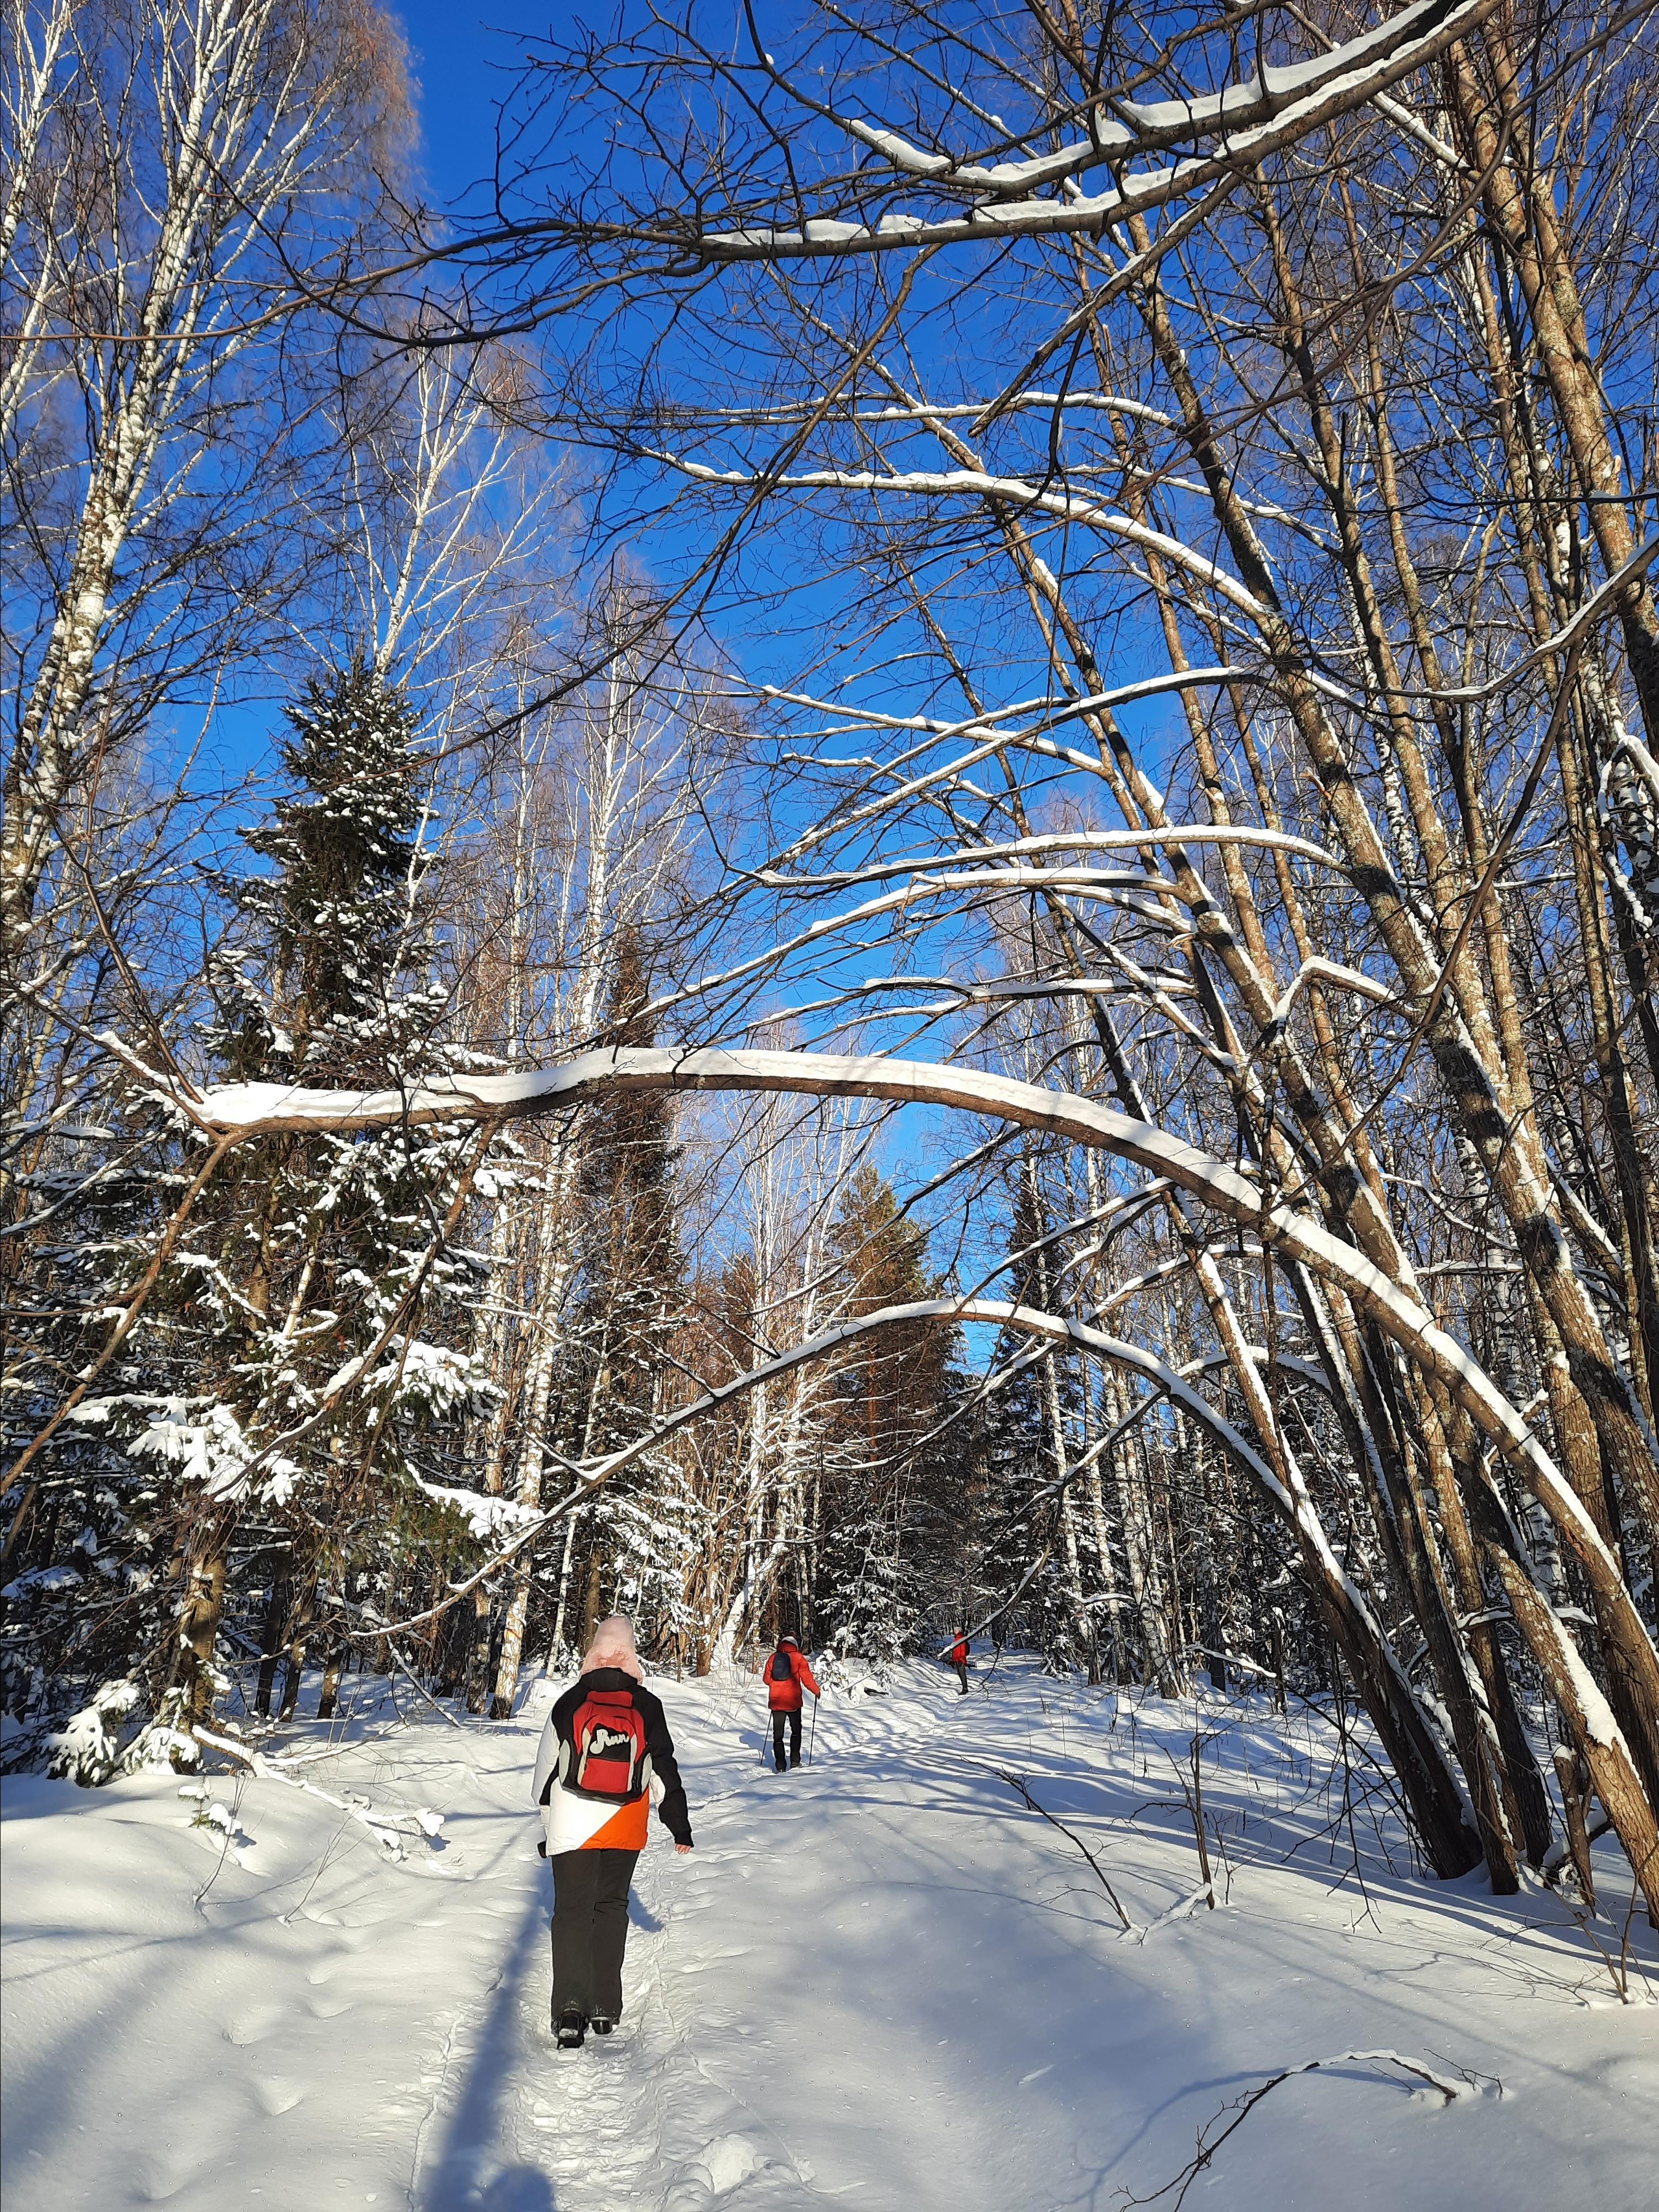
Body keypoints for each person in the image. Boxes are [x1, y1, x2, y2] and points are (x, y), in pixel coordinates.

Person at [531, 1614, 693, 2051]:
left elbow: (542, 1777)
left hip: (571, 1825)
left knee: (572, 1912)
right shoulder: (646, 1704)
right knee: (610, 1907)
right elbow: (663, 1770)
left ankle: (569, 2010)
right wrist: (678, 1824)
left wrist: (550, 1826)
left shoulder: (569, 1701)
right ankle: (604, 2006)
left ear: (594, 1650)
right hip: (625, 1823)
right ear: (630, 1652)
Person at [761, 1632, 820, 1771]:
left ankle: (780, 1766)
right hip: (793, 1703)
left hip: (776, 1703)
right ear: (795, 1645)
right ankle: (795, 1761)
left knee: (778, 1736)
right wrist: (816, 1691)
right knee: (795, 1731)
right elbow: (807, 1680)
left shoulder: (773, 1658)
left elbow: (766, 1680)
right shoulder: (798, 1658)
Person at [947, 1630, 970, 1694]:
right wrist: (953, 1660)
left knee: (962, 1674)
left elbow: (962, 1650)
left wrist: (960, 1659)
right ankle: (964, 1688)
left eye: (956, 1630)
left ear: (959, 1631)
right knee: (960, 1674)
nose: (955, 1631)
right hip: (957, 1660)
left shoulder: (960, 1639)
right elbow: (955, 1651)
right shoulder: (957, 1639)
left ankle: (965, 1689)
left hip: (960, 1660)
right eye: (955, 1630)